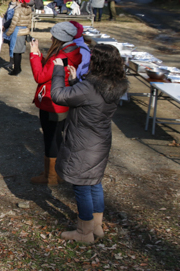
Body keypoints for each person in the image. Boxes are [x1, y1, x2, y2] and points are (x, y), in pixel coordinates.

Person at [51, 44, 128, 243]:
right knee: (94, 182)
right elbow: (91, 101)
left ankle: (84, 232)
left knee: (82, 185)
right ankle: (96, 226)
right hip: (100, 141)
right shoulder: (114, 84)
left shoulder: (90, 86)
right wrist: (76, 80)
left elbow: (59, 96)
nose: (89, 60)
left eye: (92, 58)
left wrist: (59, 71)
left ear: (99, 62)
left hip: (84, 143)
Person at [28, 22, 82, 185]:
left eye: (53, 35)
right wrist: (41, 56)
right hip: (63, 101)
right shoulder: (72, 52)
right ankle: (56, 172)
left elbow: (40, 76)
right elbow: (51, 72)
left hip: (52, 102)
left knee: (51, 138)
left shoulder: (60, 56)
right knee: (57, 137)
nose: (51, 37)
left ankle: (50, 176)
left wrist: (34, 56)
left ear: (60, 38)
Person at [5, 0, 32, 76]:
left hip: (17, 31)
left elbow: (14, 22)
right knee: (19, 52)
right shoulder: (29, 9)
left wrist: (8, 33)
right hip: (24, 31)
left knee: (15, 52)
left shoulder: (18, 9)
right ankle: (18, 67)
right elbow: (30, 22)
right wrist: (28, 30)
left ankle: (16, 70)